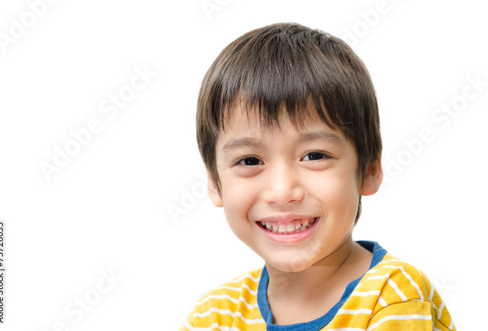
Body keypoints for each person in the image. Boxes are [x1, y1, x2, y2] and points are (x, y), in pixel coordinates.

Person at [181, 22, 455, 330]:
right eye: (250, 160)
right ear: (215, 182)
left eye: (314, 156)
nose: (283, 191)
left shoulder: (390, 297)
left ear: (369, 168)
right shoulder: (214, 316)